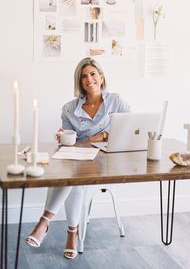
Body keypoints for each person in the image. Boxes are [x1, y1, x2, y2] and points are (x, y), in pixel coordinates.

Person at [25, 57, 130, 260]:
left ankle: (44, 222)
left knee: (73, 177)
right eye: (83, 76)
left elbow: (130, 129)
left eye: (92, 74)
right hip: (77, 157)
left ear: (101, 77)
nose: (88, 79)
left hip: (104, 159)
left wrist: (102, 136)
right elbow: (68, 137)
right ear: (79, 82)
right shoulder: (69, 108)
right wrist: (62, 136)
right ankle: (71, 232)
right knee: (68, 175)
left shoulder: (117, 101)